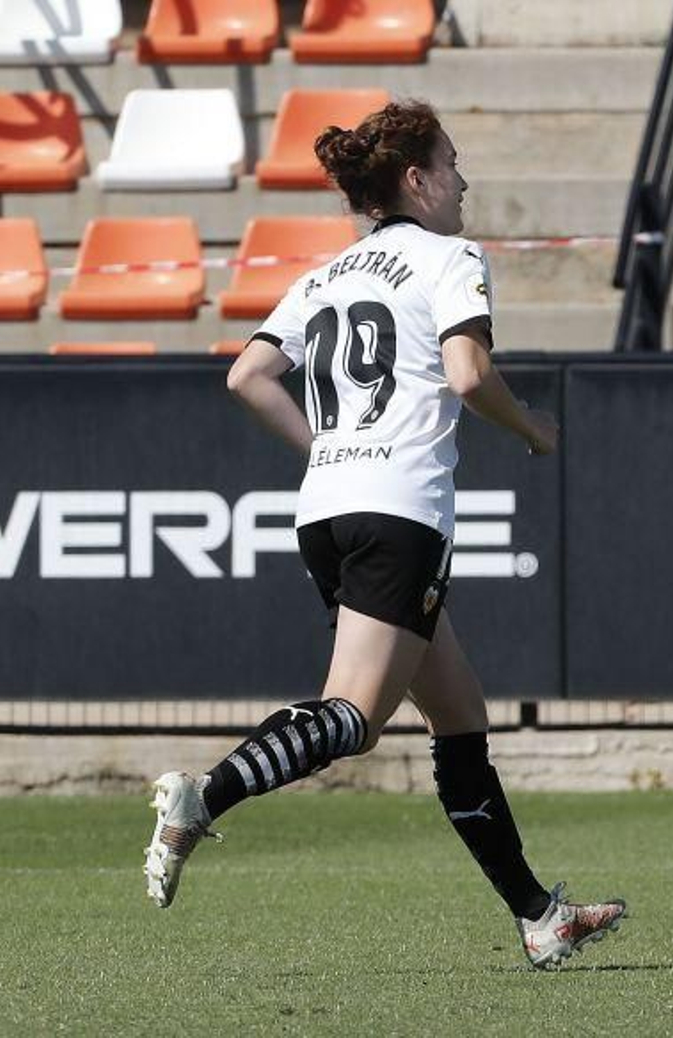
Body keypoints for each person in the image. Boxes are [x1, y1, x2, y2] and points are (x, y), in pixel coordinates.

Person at [141, 100, 626, 971]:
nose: (464, 178)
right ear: (417, 179)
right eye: (453, 161)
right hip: (398, 512)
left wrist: (328, 449)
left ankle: (539, 917)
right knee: (355, 718)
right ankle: (202, 796)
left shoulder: (325, 276)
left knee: (458, 716)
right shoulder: (449, 257)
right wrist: (531, 428)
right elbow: (469, 374)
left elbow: (249, 375)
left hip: (327, 507)